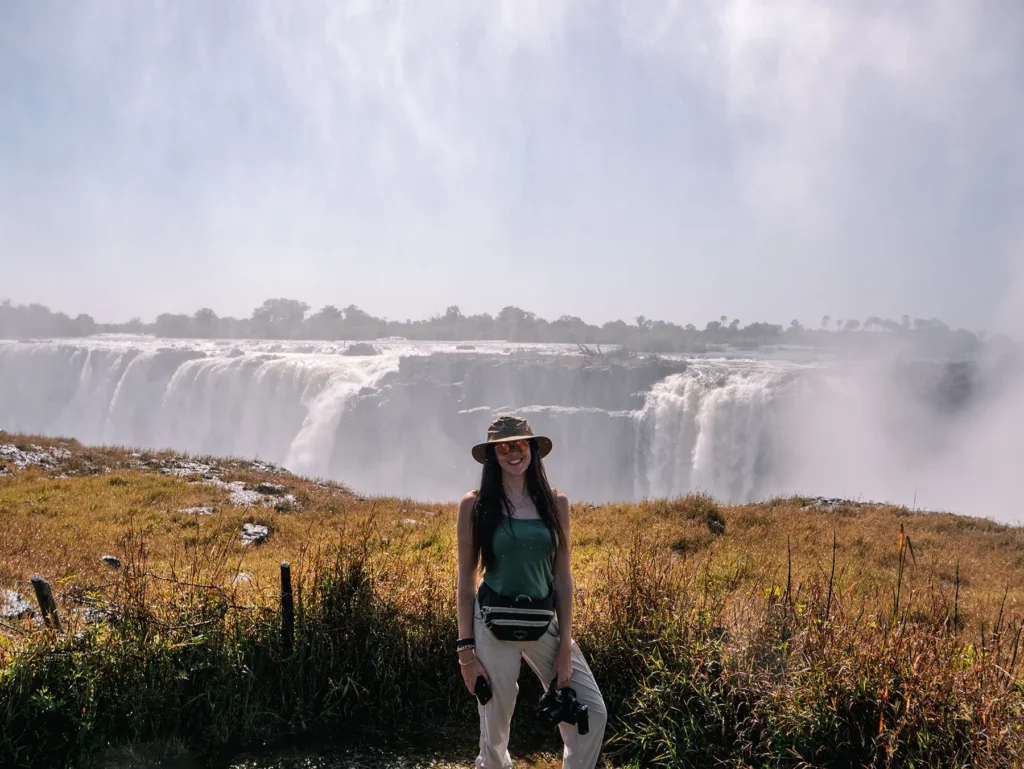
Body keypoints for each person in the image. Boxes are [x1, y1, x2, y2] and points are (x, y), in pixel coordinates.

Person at [456, 415, 607, 769]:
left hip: (544, 622)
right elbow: (466, 582)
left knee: (592, 712)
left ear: (533, 449)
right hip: (492, 623)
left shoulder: (556, 503)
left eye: (521, 444)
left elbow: (563, 579)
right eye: (504, 447)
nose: (513, 452)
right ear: (493, 455)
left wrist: (566, 648)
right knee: (494, 730)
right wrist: (466, 653)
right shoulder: (475, 505)